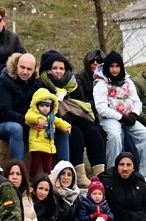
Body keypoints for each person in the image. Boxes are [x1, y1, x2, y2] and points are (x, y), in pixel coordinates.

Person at [37, 49, 103, 186]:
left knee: (94, 132)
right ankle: (79, 175)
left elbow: (81, 103)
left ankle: (100, 175)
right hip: (56, 121)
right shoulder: (42, 83)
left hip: (75, 117)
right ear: (48, 68)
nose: (58, 71)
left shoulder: (73, 83)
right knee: (76, 133)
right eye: (54, 68)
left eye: (62, 68)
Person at [93, 50, 146, 183]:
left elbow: (137, 101)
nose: (115, 70)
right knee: (115, 136)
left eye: (117, 66)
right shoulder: (101, 84)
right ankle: (113, 172)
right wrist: (121, 117)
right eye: (111, 66)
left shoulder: (127, 81)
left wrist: (134, 114)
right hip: (110, 117)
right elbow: (101, 108)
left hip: (129, 117)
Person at [0, 52, 37, 161]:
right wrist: (26, 120)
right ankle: (17, 169)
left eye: (29, 69)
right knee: (16, 128)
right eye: (22, 67)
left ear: (34, 70)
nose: (25, 72)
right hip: (0, 124)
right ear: (16, 65)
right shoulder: (3, 81)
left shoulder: (35, 83)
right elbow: (5, 111)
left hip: (25, 122)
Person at [24, 88, 70, 177]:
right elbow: (28, 117)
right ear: (37, 105)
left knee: (48, 168)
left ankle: (47, 182)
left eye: (47, 106)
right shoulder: (34, 113)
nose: (45, 108)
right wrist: (37, 120)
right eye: (42, 105)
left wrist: (67, 126)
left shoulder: (51, 117)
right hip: (37, 146)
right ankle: (31, 180)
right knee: (34, 166)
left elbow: (59, 122)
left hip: (49, 147)